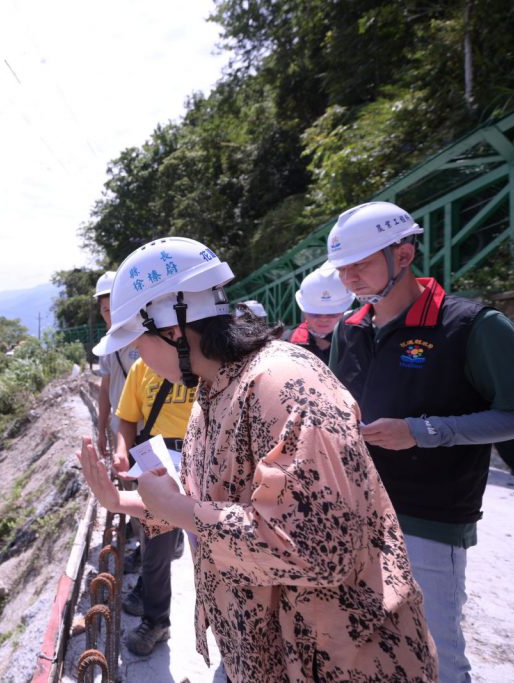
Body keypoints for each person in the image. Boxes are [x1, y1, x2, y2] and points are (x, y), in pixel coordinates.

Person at [80, 236, 437, 681]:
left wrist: (179, 508)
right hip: (271, 654)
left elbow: (318, 548)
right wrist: (122, 503)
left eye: (137, 345)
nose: (140, 361)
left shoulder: (284, 383)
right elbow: (205, 503)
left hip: (340, 660)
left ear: (173, 328)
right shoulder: (211, 395)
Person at [325, 201, 514, 683]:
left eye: (360, 264)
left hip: (429, 519)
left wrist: (424, 432)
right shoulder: (351, 329)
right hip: (355, 512)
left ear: (403, 256)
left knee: (434, 658)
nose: (349, 278)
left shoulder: (472, 325)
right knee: (364, 649)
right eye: (342, 268)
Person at [111, 356, 193, 655]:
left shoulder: (201, 358)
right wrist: (122, 451)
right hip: (158, 464)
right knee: (154, 548)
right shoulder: (141, 368)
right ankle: (156, 620)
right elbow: (128, 418)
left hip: (204, 461)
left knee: (217, 553)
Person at [94, 271, 140, 460]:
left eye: (115, 308)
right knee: (130, 483)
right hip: (120, 430)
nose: (112, 316)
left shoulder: (146, 338)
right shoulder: (106, 347)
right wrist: (101, 429)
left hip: (152, 429)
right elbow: (105, 390)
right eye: (106, 311)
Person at [282, 264, 354, 364]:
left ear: (345, 310)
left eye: (332, 314)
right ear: (303, 310)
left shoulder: (359, 342)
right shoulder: (284, 344)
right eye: (315, 313)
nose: (324, 319)